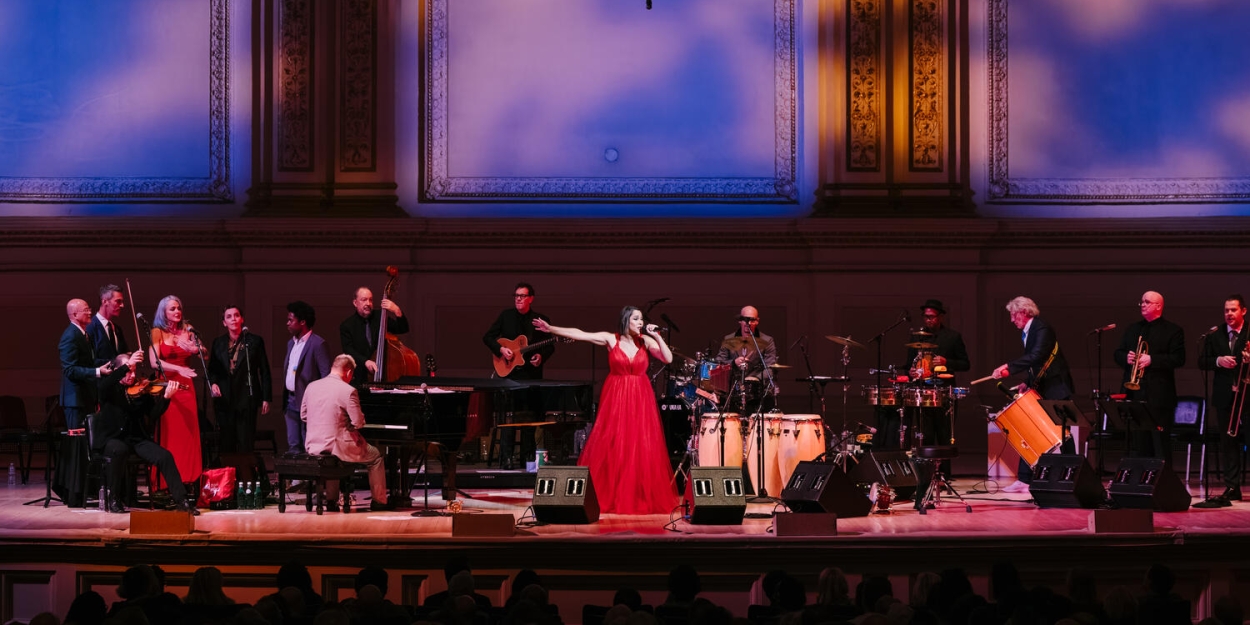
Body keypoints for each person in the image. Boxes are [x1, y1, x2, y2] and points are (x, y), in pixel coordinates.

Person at [533, 307, 678, 514]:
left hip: (640, 399)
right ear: (626, 320)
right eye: (636, 319)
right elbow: (580, 334)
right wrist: (551, 329)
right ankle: (611, 493)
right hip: (617, 399)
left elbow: (668, 358)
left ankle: (637, 494)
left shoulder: (646, 341)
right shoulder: (611, 339)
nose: (640, 322)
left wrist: (656, 335)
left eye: (641, 319)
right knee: (614, 444)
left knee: (639, 445)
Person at [93, 354, 198, 515]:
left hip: (137, 439)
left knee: (165, 456)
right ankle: (114, 498)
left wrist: (166, 398)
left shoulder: (142, 388)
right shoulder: (109, 387)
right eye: (129, 371)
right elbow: (104, 386)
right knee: (119, 450)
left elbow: (154, 414)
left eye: (134, 371)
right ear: (119, 370)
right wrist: (127, 366)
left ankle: (182, 501)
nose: (133, 375)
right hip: (113, 438)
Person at [991, 296, 1076, 493]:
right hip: (1043, 386)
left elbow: (1037, 356)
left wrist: (1009, 367)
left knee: (1063, 435)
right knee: (1029, 429)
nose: (1012, 320)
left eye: (1013, 315)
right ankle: (1025, 479)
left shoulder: (1041, 328)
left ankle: (1072, 474)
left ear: (1024, 312)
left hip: (1056, 387)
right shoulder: (1031, 331)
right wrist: (1026, 383)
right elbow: (1038, 365)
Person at [301, 354, 392, 511]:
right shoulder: (348, 390)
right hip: (339, 446)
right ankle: (380, 501)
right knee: (376, 456)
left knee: (333, 460)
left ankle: (331, 501)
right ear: (348, 372)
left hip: (314, 444)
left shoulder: (312, 386)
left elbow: (303, 416)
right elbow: (358, 422)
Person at [482, 282, 555, 468]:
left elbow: (550, 346)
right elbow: (488, 337)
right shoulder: (506, 316)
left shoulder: (540, 320)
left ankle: (527, 459)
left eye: (522, 296)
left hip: (531, 376)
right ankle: (506, 459)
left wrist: (541, 356)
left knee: (529, 418)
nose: (518, 299)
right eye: (516, 296)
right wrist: (501, 349)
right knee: (509, 418)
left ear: (531, 298)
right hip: (509, 376)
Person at [1114, 291, 1185, 468]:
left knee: (1160, 443)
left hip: (1159, 396)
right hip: (1135, 395)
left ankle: (1162, 483)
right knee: (1139, 444)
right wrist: (1126, 358)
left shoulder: (1173, 330)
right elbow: (1118, 353)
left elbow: (1179, 359)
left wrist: (1152, 360)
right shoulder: (1132, 329)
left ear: (1158, 306)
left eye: (1147, 302)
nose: (1143, 305)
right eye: (1142, 302)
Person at [149, 295, 206, 492]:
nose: (177, 312)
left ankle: (189, 478)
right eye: (172, 309)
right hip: (167, 386)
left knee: (188, 434)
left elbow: (205, 353)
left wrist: (195, 349)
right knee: (170, 433)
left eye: (179, 308)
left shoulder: (188, 330)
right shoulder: (157, 332)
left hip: (186, 387)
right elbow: (153, 362)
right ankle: (167, 482)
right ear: (163, 312)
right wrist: (178, 369)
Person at [1194, 295, 1247, 508]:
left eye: (1233, 310)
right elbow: (1202, 361)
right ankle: (1232, 487)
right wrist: (1218, 360)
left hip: (1247, 396)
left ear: (1243, 311)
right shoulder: (1214, 335)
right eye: (1226, 310)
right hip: (1225, 396)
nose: (1229, 314)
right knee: (1228, 442)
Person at [208, 306, 272, 453]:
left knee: (246, 440)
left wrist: (266, 397)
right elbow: (212, 370)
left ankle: (246, 475)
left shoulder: (254, 341)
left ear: (242, 319)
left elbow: (264, 370)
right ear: (224, 322)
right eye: (229, 316)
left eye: (236, 315)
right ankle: (229, 474)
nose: (233, 319)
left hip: (247, 396)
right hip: (225, 398)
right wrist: (213, 383)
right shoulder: (218, 343)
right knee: (226, 441)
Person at [282, 301, 332, 454]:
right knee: (293, 443)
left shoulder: (317, 344)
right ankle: (296, 477)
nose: (287, 323)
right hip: (290, 400)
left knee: (308, 443)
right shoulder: (291, 343)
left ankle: (307, 478)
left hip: (309, 403)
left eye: (291, 320)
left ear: (302, 322)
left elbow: (326, 376)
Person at [340, 286, 410, 387]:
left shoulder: (381, 316)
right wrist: (365, 361)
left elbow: (403, 329)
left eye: (370, 300)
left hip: (385, 377)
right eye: (364, 300)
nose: (368, 303)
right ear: (355, 303)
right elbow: (348, 349)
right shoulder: (347, 325)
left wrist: (396, 310)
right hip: (360, 379)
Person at [60, 298, 113, 430]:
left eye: (89, 309)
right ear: (75, 315)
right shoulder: (70, 336)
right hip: (76, 401)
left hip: (86, 398)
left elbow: (89, 361)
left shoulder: (83, 334)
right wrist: (97, 371)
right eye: (86, 310)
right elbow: (70, 370)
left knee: (89, 442)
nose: (90, 313)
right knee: (78, 443)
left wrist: (115, 362)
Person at [714, 306, 778, 411]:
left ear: (757, 321)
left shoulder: (767, 340)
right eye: (745, 319)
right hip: (732, 391)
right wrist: (734, 363)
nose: (748, 323)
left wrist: (755, 380)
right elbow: (719, 362)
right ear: (740, 321)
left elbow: (770, 367)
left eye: (752, 320)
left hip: (757, 392)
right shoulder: (729, 339)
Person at [86, 284, 131, 366]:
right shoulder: (90, 327)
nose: (122, 305)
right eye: (118, 301)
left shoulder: (117, 329)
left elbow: (123, 355)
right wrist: (115, 363)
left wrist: (130, 358)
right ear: (105, 302)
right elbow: (90, 361)